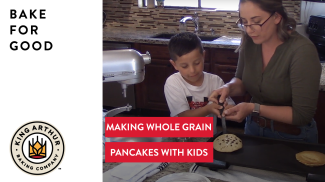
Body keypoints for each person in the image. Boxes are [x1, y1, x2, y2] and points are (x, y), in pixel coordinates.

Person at [208, 0, 322, 143]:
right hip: (253, 128)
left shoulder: (302, 51)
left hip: (292, 136)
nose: (249, 30)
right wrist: (227, 88)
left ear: (277, 17)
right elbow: (241, 80)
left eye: (256, 22)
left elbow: (302, 115)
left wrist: (253, 108)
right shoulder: (250, 41)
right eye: (244, 22)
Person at [164, 32, 235, 134]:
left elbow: (229, 105)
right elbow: (183, 117)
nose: (192, 70)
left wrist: (227, 109)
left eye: (197, 63)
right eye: (184, 66)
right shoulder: (173, 83)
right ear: (174, 64)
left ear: (203, 56)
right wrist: (208, 109)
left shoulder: (215, 81)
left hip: (209, 138)